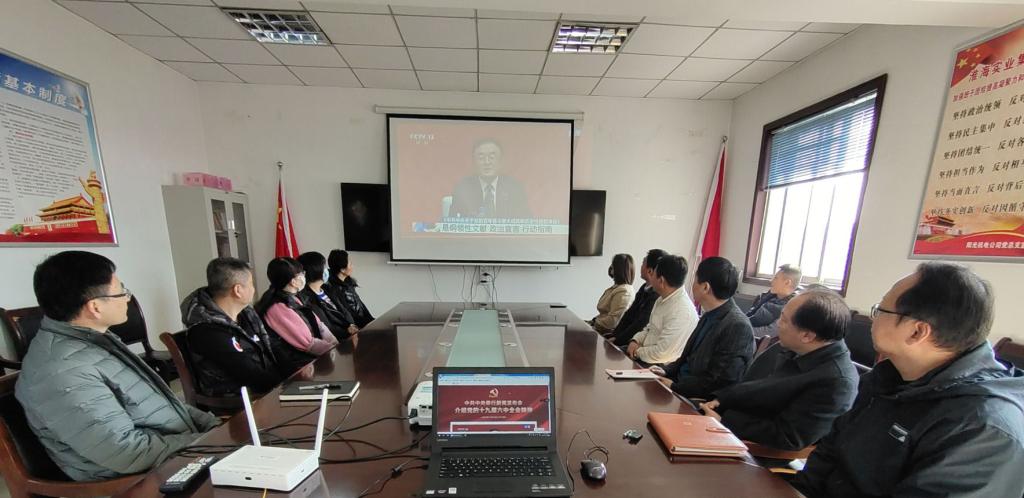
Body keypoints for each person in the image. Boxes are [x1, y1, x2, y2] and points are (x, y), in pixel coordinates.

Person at [792, 262, 1024, 498]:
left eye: (880, 310)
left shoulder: (983, 429)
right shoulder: (884, 379)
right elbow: (829, 454)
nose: (873, 318)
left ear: (917, 332)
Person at [15, 251, 217, 481]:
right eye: (122, 292)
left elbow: (164, 406)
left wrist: (214, 427)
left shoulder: (93, 340)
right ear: (95, 307)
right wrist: (208, 441)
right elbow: (127, 453)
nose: (127, 298)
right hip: (138, 480)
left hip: (174, 453)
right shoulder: (63, 370)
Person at [698, 289, 858, 451]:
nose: (778, 324)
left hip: (752, 448)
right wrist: (722, 400)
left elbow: (788, 437)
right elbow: (754, 387)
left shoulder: (836, 382)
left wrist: (724, 421)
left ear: (807, 336)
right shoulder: (795, 347)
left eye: (783, 319)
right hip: (727, 422)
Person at [181, 257, 285, 396]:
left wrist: (296, 373)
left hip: (267, 388)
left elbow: (271, 346)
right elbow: (249, 373)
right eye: (251, 284)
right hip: (241, 398)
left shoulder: (246, 314)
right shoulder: (206, 331)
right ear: (237, 290)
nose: (253, 289)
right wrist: (288, 384)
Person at [654, 257, 754, 400]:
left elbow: (717, 382)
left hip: (696, 399)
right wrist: (666, 371)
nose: (692, 284)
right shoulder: (710, 313)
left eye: (695, 279)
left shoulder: (737, 326)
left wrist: (674, 387)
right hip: (680, 387)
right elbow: (687, 359)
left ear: (705, 287)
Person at [256, 257, 340, 375]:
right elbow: (308, 343)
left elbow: (319, 325)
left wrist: (335, 344)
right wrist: (334, 351)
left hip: (314, 358)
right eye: (302, 273)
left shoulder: (294, 297)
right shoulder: (277, 307)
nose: (304, 276)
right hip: (299, 367)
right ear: (293, 281)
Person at [625, 255, 699, 365]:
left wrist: (637, 352)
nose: (651, 277)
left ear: (661, 280)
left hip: (659, 366)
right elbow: (649, 328)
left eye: (653, 274)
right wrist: (635, 341)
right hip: (643, 354)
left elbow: (661, 353)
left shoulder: (682, 311)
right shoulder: (662, 299)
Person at [449, 139, 531, 219]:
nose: (487, 162)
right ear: (474, 162)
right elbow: (452, 220)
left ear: (500, 162)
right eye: (481, 158)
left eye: (492, 157)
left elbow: (526, 220)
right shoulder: (463, 188)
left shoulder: (514, 188)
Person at [610, 249, 667, 347]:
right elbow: (629, 314)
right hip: (624, 339)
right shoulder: (644, 287)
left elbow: (640, 324)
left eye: (643, 263)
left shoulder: (656, 295)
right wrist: (614, 335)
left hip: (636, 343)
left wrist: (617, 341)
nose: (640, 266)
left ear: (650, 271)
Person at [297, 251, 358, 341]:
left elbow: (345, 311)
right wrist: (347, 332)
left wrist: (352, 325)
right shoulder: (307, 299)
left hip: (351, 334)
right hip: (337, 341)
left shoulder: (328, 289)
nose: (327, 270)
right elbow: (326, 327)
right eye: (324, 266)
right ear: (315, 270)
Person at [746, 264, 801, 338]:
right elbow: (750, 314)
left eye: (776, 278)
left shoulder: (793, 308)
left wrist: (740, 329)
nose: (771, 281)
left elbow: (769, 332)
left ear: (787, 282)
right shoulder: (768, 296)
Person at [325, 249, 374, 329]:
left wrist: (373, 321)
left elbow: (361, 305)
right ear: (342, 269)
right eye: (350, 264)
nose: (352, 266)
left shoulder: (348, 283)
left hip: (365, 323)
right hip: (356, 327)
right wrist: (370, 323)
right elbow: (350, 315)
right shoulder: (334, 290)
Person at [588, 253, 635, 334]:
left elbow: (613, 321)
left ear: (618, 269)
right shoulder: (617, 288)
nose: (610, 268)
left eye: (613, 266)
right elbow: (604, 314)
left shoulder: (624, 291)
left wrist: (593, 324)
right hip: (599, 328)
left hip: (606, 333)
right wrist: (591, 322)